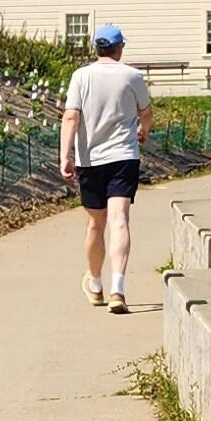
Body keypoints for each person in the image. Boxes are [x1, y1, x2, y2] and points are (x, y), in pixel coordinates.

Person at [60, 26, 151, 313]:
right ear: (119, 48)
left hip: (90, 160)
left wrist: (65, 155)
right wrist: (143, 131)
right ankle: (118, 289)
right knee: (120, 220)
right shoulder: (132, 76)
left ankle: (96, 284)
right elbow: (146, 112)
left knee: (95, 224)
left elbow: (71, 116)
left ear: (95, 48)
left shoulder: (81, 76)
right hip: (124, 157)